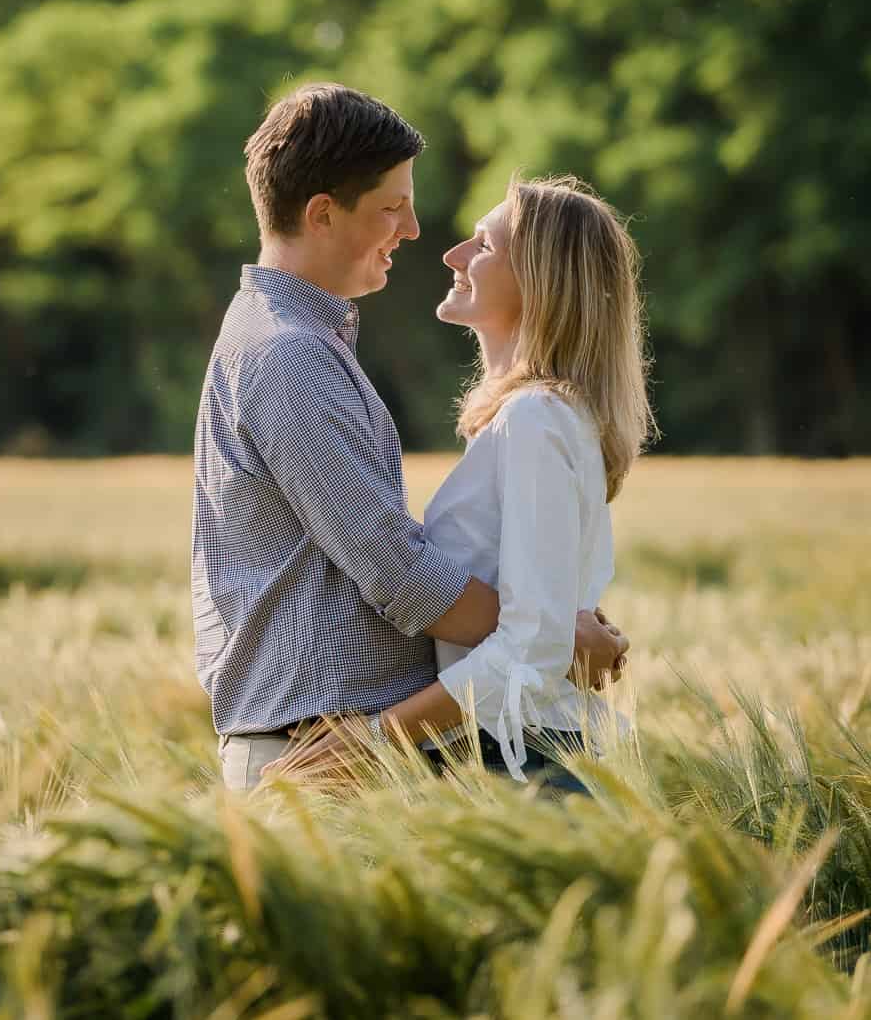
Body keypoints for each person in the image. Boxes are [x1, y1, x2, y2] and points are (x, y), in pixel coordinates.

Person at [192, 83, 630, 792]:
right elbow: (396, 567)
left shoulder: (301, 343)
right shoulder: (290, 352)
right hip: (317, 755)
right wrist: (551, 633)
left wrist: (541, 631)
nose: (418, 230)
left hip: (352, 749)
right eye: (393, 206)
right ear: (323, 214)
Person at [261, 174, 654, 790]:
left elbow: (530, 648)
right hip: (507, 753)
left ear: (541, 283)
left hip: (523, 760)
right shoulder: (530, 418)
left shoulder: (535, 419)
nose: (453, 255)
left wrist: (375, 739)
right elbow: (539, 626)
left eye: (484, 245)